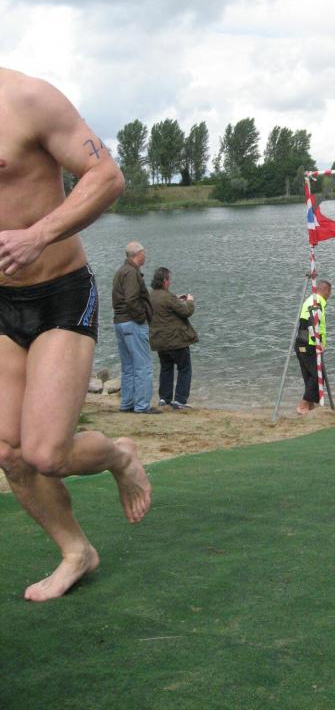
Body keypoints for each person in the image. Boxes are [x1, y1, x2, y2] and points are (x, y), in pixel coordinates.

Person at [0, 66, 151, 602]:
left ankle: (120, 456)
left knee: (47, 454)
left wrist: (38, 235)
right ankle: (76, 551)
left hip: (58, 291)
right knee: (10, 452)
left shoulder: (27, 99)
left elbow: (106, 176)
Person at [112, 242, 161, 414]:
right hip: (132, 323)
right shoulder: (132, 273)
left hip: (120, 322)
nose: (145, 255)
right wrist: (141, 318)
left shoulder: (121, 271)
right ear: (137, 254)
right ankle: (142, 405)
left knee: (128, 366)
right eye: (143, 252)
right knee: (143, 366)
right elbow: (131, 299)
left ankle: (127, 403)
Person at [149, 267, 198, 410]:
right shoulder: (168, 297)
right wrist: (189, 300)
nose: (170, 282)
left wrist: (176, 299)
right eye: (169, 279)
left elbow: (166, 305)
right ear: (164, 281)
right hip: (176, 341)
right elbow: (186, 311)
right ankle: (180, 400)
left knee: (166, 368)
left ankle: (164, 398)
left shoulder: (151, 297)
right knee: (184, 368)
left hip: (160, 341)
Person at [295, 280, 332, 414]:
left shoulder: (310, 300)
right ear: (326, 291)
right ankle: (303, 404)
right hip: (309, 343)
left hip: (302, 342)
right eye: (329, 293)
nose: (329, 296)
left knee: (309, 375)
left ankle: (310, 406)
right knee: (317, 374)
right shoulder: (316, 302)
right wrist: (318, 342)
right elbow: (312, 323)